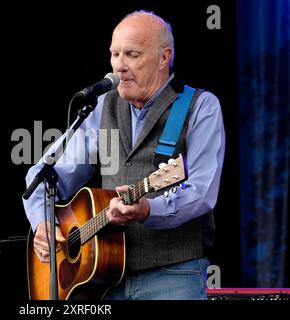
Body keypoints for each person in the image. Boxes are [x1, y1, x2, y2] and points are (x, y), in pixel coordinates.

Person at [22, 10, 225, 300]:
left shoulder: (200, 106)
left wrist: (148, 210)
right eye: (115, 54)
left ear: (164, 58)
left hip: (173, 275)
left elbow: (202, 191)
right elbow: (44, 176)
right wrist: (43, 224)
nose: (119, 66)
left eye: (131, 54)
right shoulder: (100, 107)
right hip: (104, 282)